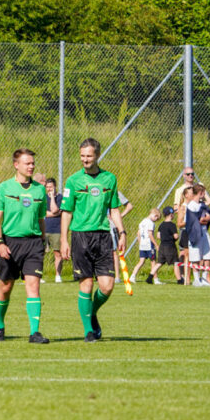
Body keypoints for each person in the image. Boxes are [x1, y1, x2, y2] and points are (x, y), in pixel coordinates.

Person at [60, 138, 126, 342]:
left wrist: (122, 232)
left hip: (103, 236)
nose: (85, 159)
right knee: (86, 285)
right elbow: (66, 212)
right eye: (82, 156)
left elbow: (114, 209)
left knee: (107, 286)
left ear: (97, 155)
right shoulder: (73, 181)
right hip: (80, 236)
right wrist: (64, 240)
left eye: (89, 156)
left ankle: (91, 312)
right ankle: (89, 331)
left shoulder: (110, 179)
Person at [0, 149, 49, 343]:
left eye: (33, 163)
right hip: (9, 243)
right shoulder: (4, 188)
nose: (31, 166)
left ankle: (35, 332)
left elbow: (41, 218)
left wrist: (43, 238)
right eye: (27, 163)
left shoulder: (39, 190)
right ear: (16, 165)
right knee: (6, 286)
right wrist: (0, 243)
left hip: (33, 243)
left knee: (33, 286)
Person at [184, 183, 210, 287]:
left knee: (208, 255)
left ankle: (205, 277)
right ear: (200, 193)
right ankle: (196, 279)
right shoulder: (191, 205)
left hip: (204, 233)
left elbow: (208, 216)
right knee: (195, 257)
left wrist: (206, 219)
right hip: (195, 234)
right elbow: (192, 220)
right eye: (204, 193)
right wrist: (200, 220)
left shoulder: (202, 205)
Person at [44, 178, 65, 282]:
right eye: (47, 187)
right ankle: (38, 276)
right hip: (44, 229)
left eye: (51, 187)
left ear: (55, 186)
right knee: (40, 253)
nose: (49, 189)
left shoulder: (61, 198)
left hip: (57, 229)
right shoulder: (43, 198)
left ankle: (58, 275)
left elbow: (56, 209)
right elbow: (46, 213)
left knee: (57, 253)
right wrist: (55, 213)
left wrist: (52, 197)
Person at [152, 207, 180, 284]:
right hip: (170, 246)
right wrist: (174, 237)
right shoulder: (172, 225)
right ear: (171, 215)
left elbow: (158, 236)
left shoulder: (161, 225)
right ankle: (179, 279)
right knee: (176, 262)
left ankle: (150, 276)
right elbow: (176, 236)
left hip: (162, 246)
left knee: (159, 262)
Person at [133, 208, 160, 284]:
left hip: (142, 245)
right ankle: (155, 279)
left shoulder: (142, 222)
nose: (155, 220)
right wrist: (156, 245)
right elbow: (150, 235)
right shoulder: (151, 223)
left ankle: (132, 276)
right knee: (153, 262)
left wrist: (140, 243)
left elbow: (138, 234)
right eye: (156, 218)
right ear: (154, 215)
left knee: (141, 261)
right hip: (149, 245)